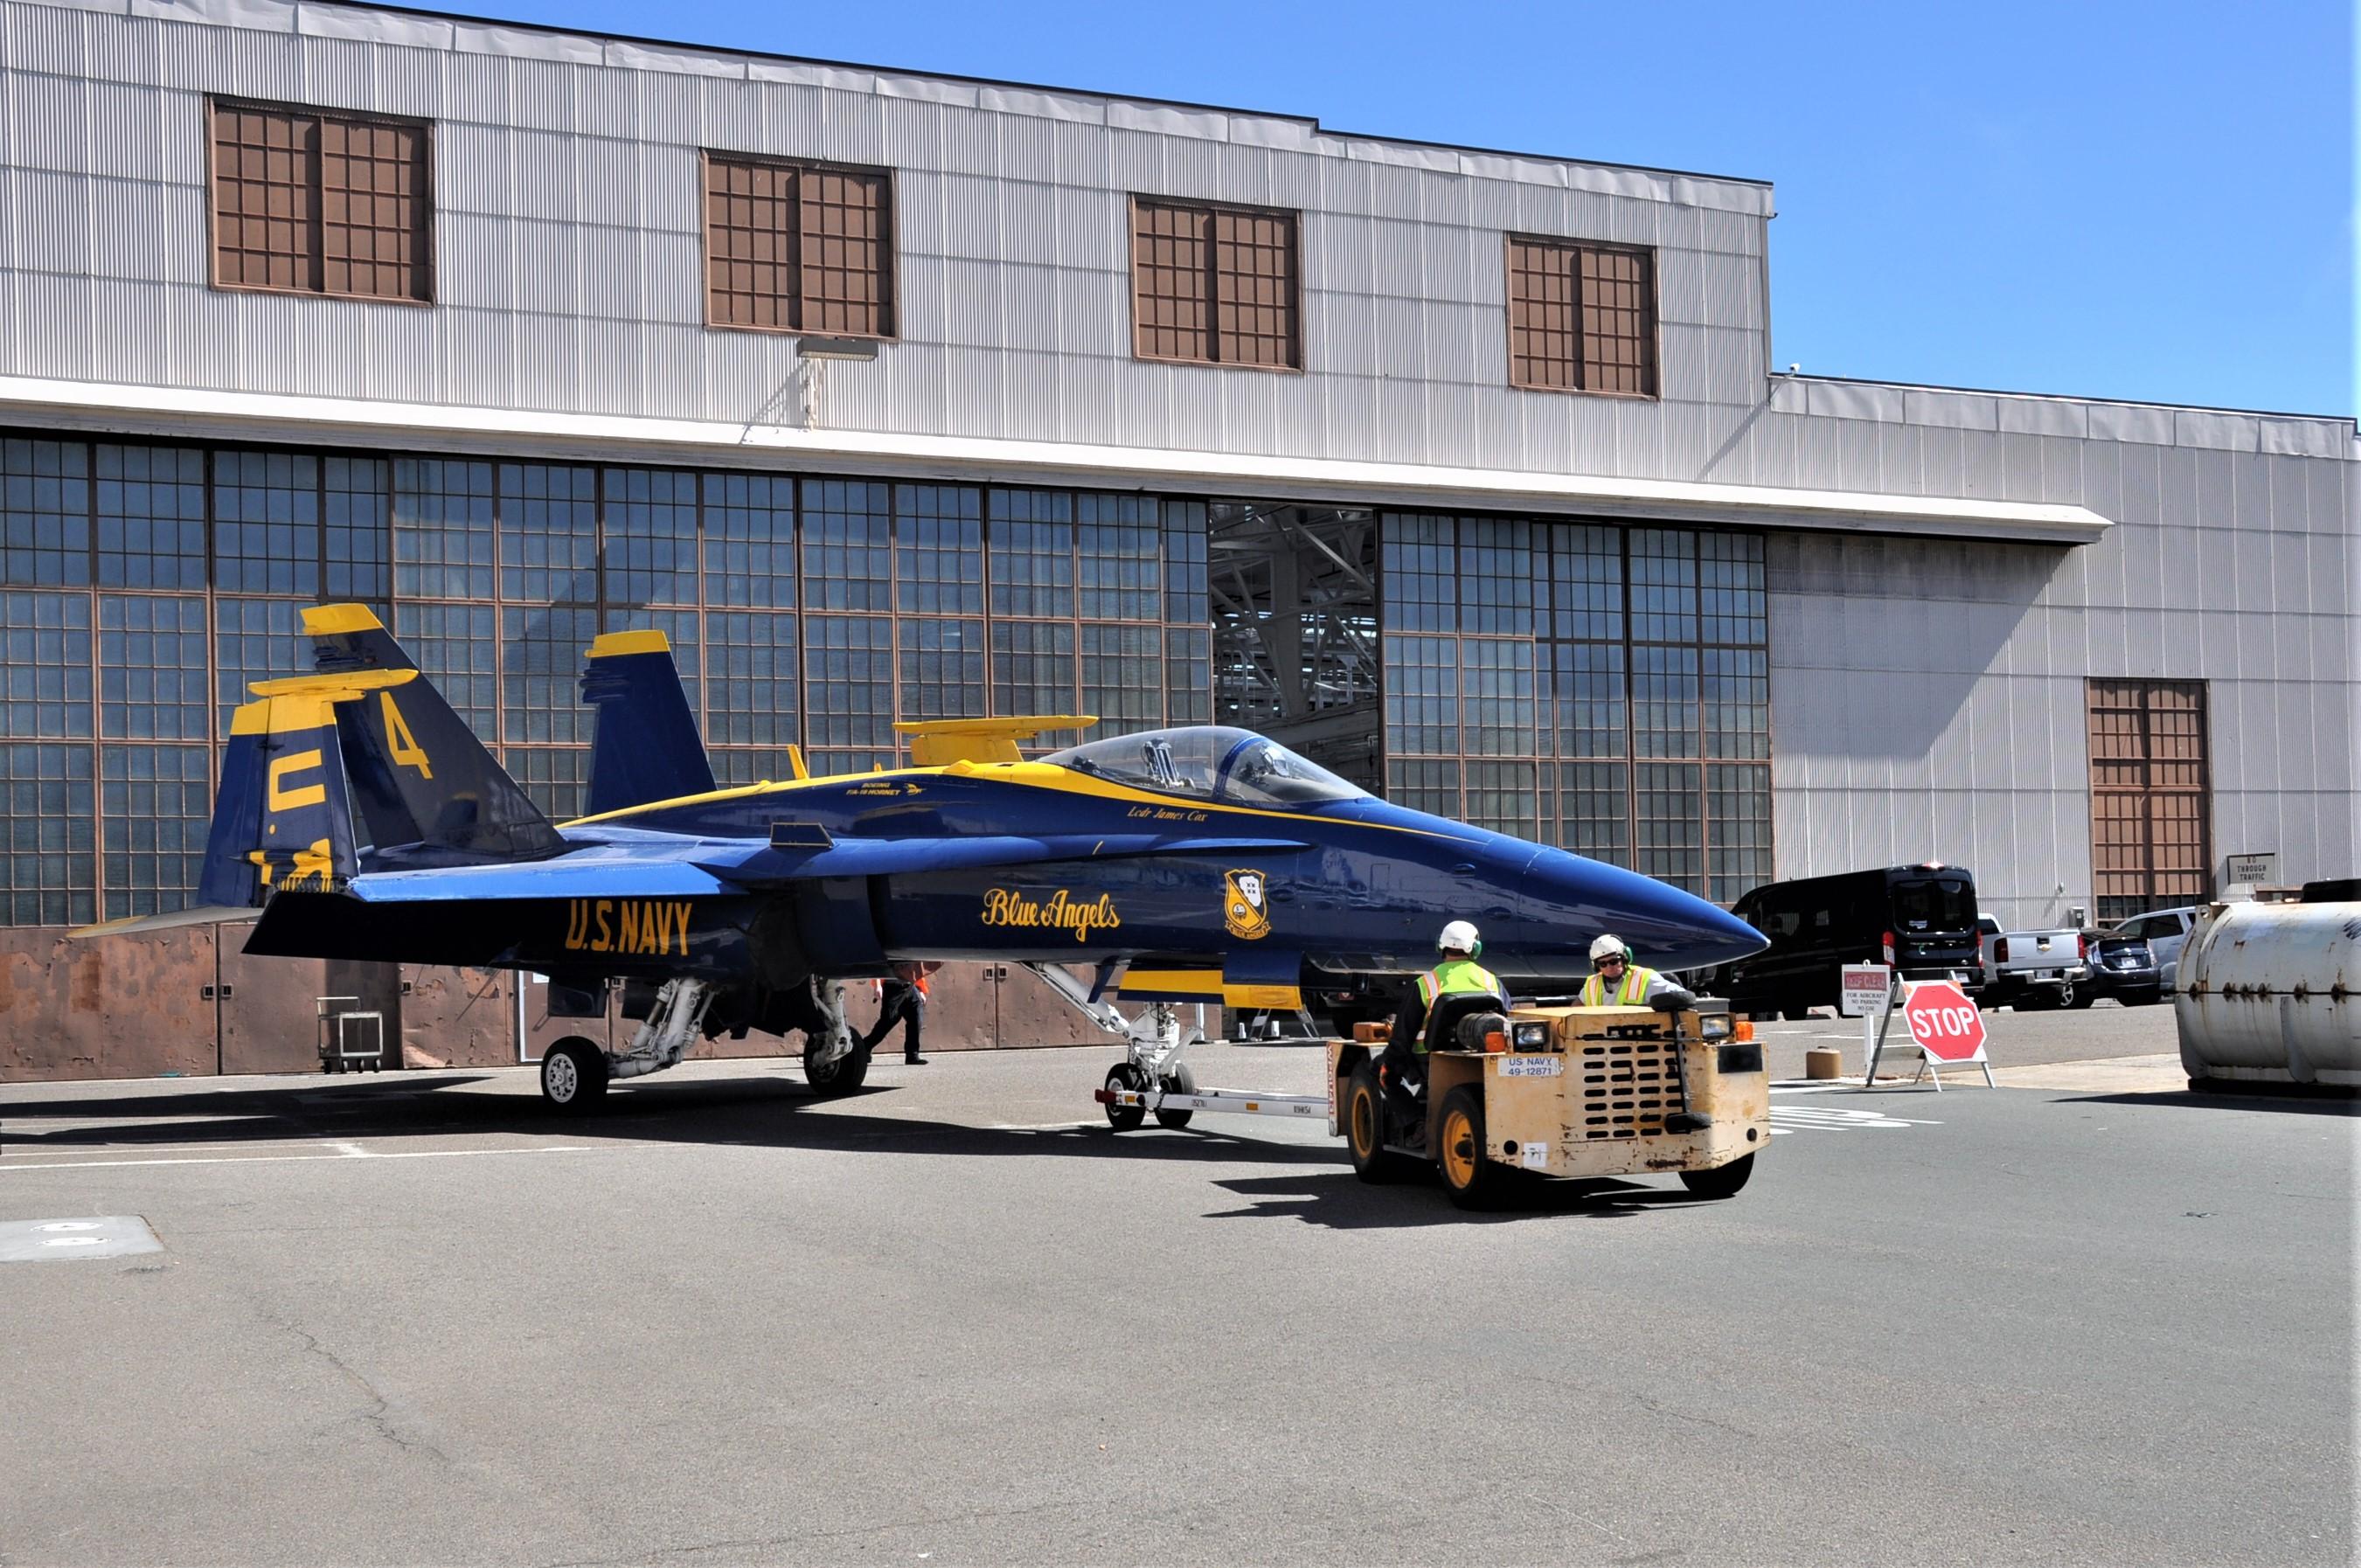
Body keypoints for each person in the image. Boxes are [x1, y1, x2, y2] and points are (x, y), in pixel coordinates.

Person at [1380, 919, 1508, 1148]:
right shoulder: (1492, 981)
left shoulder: (1426, 984)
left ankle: (1417, 1121)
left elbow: (1403, 1034)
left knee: (1382, 1074)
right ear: (1475, 948)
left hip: (1429, 1062)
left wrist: (1389, 1062)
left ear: (1441, 947)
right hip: (1481, 1059)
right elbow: (1508, 1018)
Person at [1579, 934, 1693, 1010]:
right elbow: (1575, 1008)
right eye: (1603, 964)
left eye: (1614, 961)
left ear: (1625, 958)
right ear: (1596, 966)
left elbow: (1680, 996)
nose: (1609, 967)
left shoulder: (1644, 978)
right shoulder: (1591, 984)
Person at [861, 961, 940, 1065]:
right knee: (888, 1021)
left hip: (910, 986)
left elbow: (916, 968)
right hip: (891, 986)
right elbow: (878, 964)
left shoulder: (908, 949)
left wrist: (920, 989)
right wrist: (877, 985)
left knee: (916, 1019)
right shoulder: (890, 947)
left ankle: (912, 1055)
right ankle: (865, 1046)